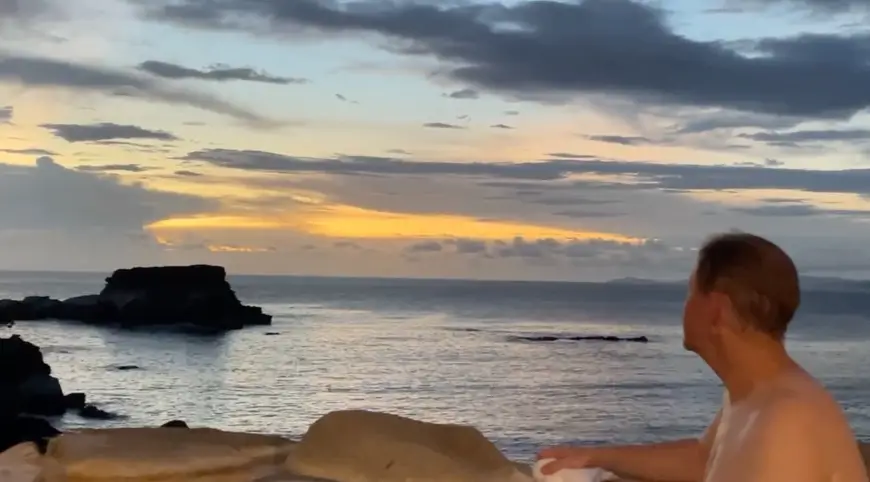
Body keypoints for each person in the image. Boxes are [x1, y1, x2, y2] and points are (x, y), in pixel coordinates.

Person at [537, 232, 868, 482]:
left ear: (716, 310)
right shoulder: (756, 396)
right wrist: (597, 457)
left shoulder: (784, 420)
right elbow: (705, 458)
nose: (684, 307)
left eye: (690, 292)